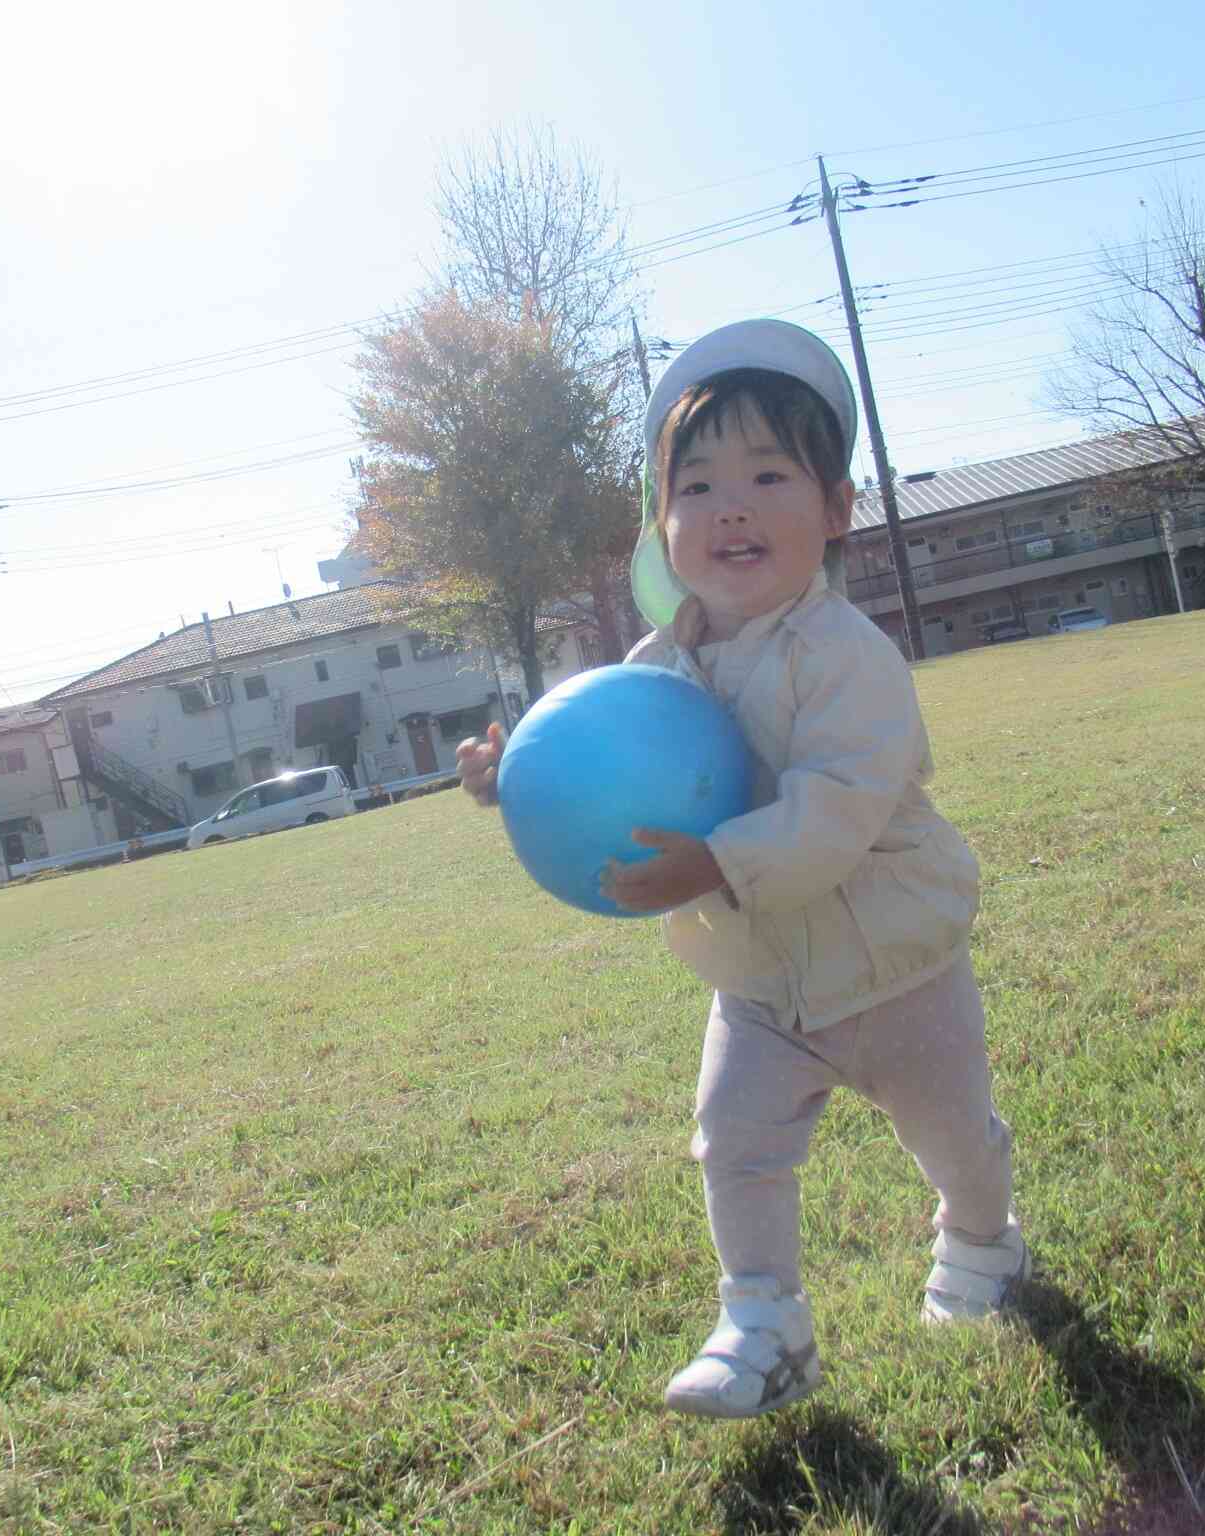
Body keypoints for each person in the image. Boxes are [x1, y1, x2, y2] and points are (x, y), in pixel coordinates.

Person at [456, 319, 1022, 1420]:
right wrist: (512, 779)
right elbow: (599, 762)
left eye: (769, 474)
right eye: (697, 484)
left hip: (892, 962)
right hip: (758, 982)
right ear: (660, 527)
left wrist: (713, 859)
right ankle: (761, 1323)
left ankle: (981, 1240)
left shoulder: (847, 657)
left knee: (952, 1134)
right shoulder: (652, 670)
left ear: (836, 509)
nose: (730, 506)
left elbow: (835, 810)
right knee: (734, 1143)